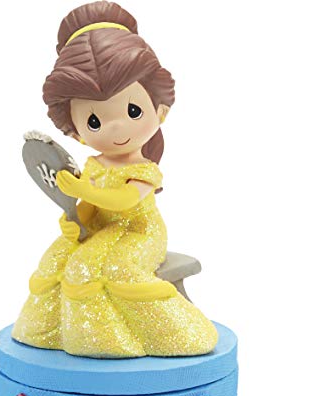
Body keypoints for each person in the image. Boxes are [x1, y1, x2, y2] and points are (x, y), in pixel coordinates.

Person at [12, 1, 218, 358]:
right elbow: (90, 209)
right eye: (94, 121)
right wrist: (76, 219)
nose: (116, 128)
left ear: (161, 111)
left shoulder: (144, 169)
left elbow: (124, 201)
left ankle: (140, 338)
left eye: (133, 111)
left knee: (109, 267)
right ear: (75, 132)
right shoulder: (94, 165)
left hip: (139, 234)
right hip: (103, 231)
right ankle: (49, 332)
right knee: (59, 257)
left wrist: (84, 190)